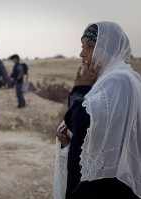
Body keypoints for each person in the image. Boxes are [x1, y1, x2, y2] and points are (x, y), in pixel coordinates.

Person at [53, 21, 141, 199]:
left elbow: (81, 124)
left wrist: (79, 91)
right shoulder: (107, 80)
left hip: (105, 185)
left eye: (91, 46)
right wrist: (70, 140)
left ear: (109, 49)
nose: (82, 53)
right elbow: (97, 131)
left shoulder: (118, 81)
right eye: (82, 46)